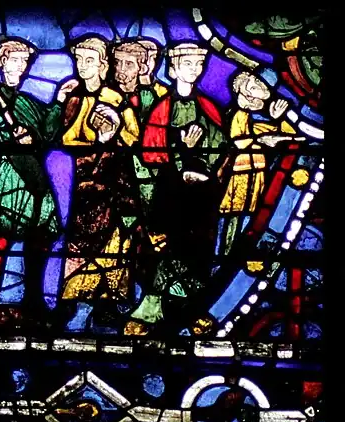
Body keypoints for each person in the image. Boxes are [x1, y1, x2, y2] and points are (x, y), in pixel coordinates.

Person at [127, 42, 228, 334]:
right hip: (170, 192)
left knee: (198, 250)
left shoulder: (209, 107)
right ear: (172, 70)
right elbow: (151, 152)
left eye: (198, 64)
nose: (194, 70)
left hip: (202, 194)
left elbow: (221, 144)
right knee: (168, 248)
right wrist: (182, 150)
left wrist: (202, 166)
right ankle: (151, 307)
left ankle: (194, 309)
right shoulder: (162, 108)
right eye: (187, 64)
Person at [0, 38, 61, 329]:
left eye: (24, 61)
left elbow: (48, 131)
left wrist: (58, 104)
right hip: (9, 170)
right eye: (14, 59)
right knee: (1, 231)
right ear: (1, 62)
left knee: (41, 234)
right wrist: (2, 144)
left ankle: (34, 300)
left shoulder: (28, 103)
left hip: (35, 174)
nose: (20, 65)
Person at [51, 36, 141, 331]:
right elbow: (66, 139)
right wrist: (98, 140)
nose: (83, 66)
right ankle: (71, 296)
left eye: (90, 60)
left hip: (113, 180)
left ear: (103, 66)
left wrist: (113, 134)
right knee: (78, 240)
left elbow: (133, 138)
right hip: (82, 181)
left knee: (116, 241)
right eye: (79, 60)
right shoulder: (74, 99)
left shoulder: (117, 99)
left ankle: (109, 300)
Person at [216, 71, 297, 255]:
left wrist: (279, 118)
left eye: (258, 84)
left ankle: (244, 251)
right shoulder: (241, 114)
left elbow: (293, 136)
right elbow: (238, 141)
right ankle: (224, 255)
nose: (259, 87)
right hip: (240, 173)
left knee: (254, 216)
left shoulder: (274, 111)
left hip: (262, 172)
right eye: (251, 87)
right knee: (232, 216)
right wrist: (260, 139)